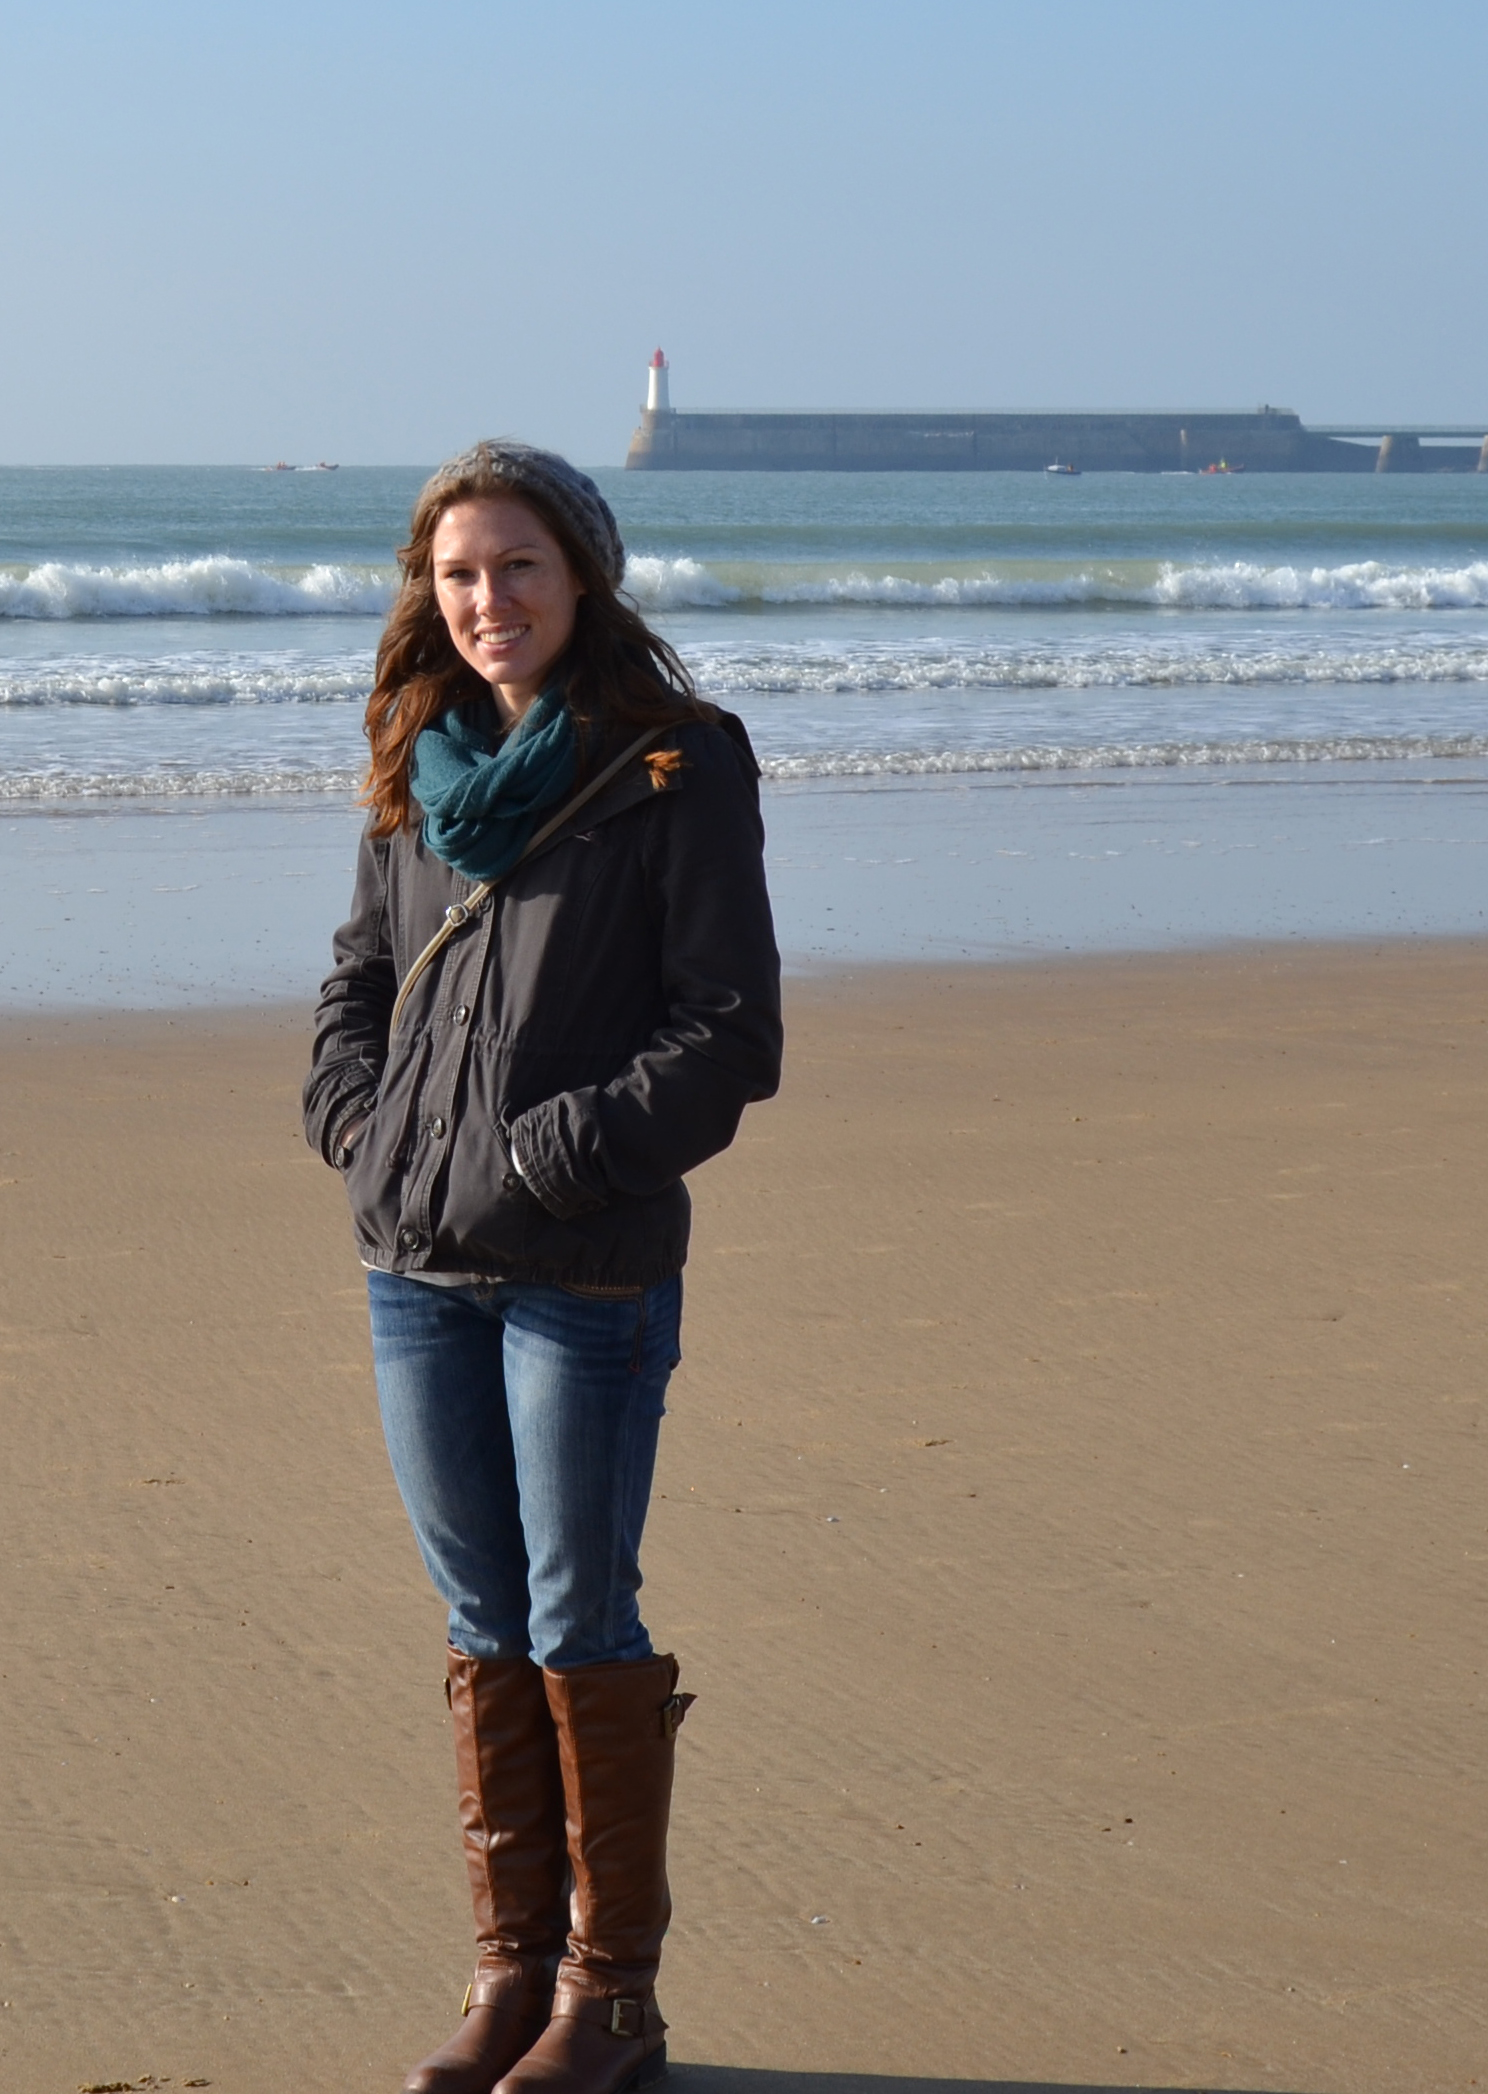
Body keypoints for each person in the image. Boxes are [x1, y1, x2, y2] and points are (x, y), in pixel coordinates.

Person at [303, 442, 782, 2094]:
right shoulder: (414, 763)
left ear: (582, 573)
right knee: (479, 1613)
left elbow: (729, 1035)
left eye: (517, 566)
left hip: (581, 1271)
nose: (487, 600)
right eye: (457, 574)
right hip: (414, 1267)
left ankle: (614, 1998)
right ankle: (511, 1973)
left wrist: (542, 1158)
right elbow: (359, 985)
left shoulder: (677, 764)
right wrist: (359, 1130)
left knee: (579, 1611)